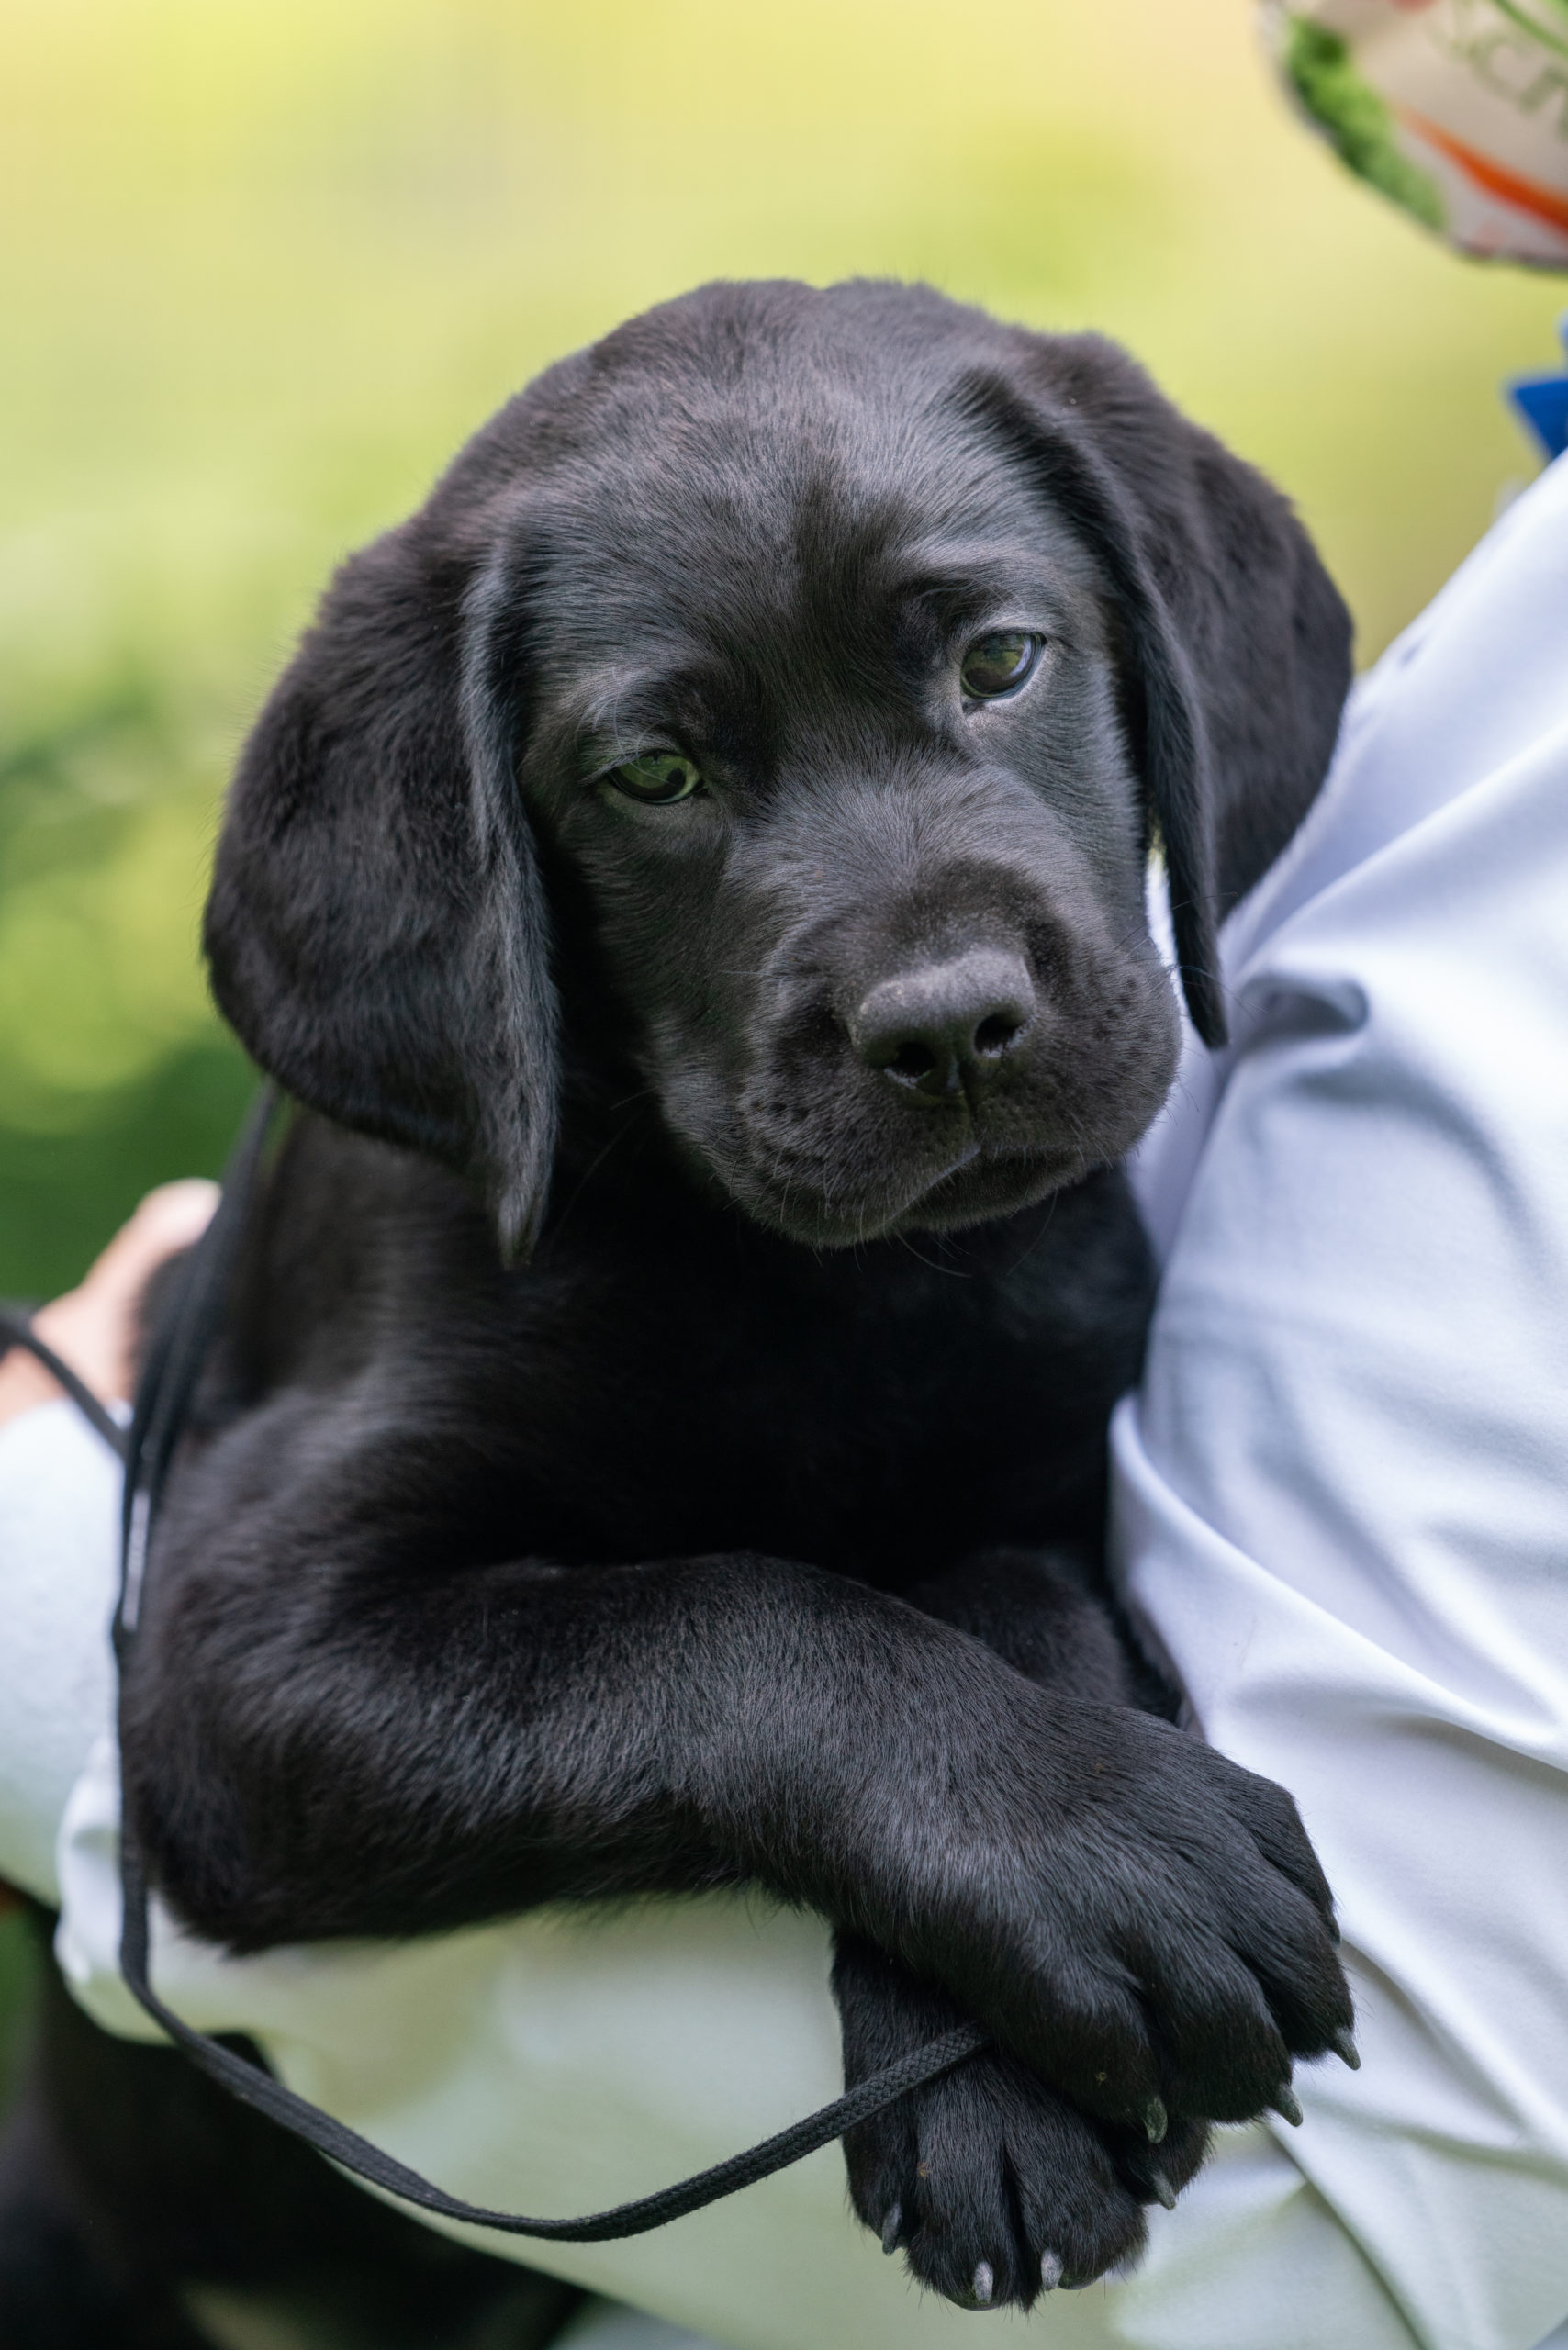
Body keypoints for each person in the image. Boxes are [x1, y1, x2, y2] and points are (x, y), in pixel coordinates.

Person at [4, 6, 1568, 2344]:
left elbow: (1031, 1546)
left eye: (989, 662)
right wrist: (859, 1735)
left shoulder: (1060, 1162)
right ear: (492, 861)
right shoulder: (495, 1213)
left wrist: (1009, 1713)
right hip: (186, 2277)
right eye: (662, 776)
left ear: (1142, 648)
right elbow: (246, 1729)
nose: (934, 974)